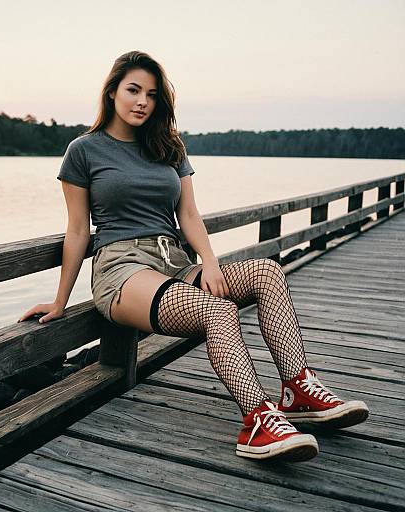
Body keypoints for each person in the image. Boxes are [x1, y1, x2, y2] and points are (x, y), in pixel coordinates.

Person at [18, 50, 369, 462]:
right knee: (216, 312)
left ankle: (297, 389)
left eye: (151, 94)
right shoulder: (84, 150)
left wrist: (211, 261)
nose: (142, 101)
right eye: (133, 90)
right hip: (121, 269)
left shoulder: (168, 146)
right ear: (112, 92)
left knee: (267, 272)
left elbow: (187, 214)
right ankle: (256, 420)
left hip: (175, 262)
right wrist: (60, 300)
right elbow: (78, 229)